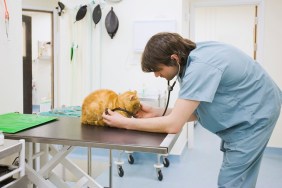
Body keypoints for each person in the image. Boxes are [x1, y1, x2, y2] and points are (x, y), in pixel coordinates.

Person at [102, 32, 282, 188]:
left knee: (232, 181)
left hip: (256, 115)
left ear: (173, 58)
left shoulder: (200, 67)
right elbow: (196, 111)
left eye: (157, 70)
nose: (157, 75)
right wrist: (157, 112)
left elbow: (173, 125)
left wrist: (126, 123)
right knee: (240, 176)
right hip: (251, 108)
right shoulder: (188, 62)